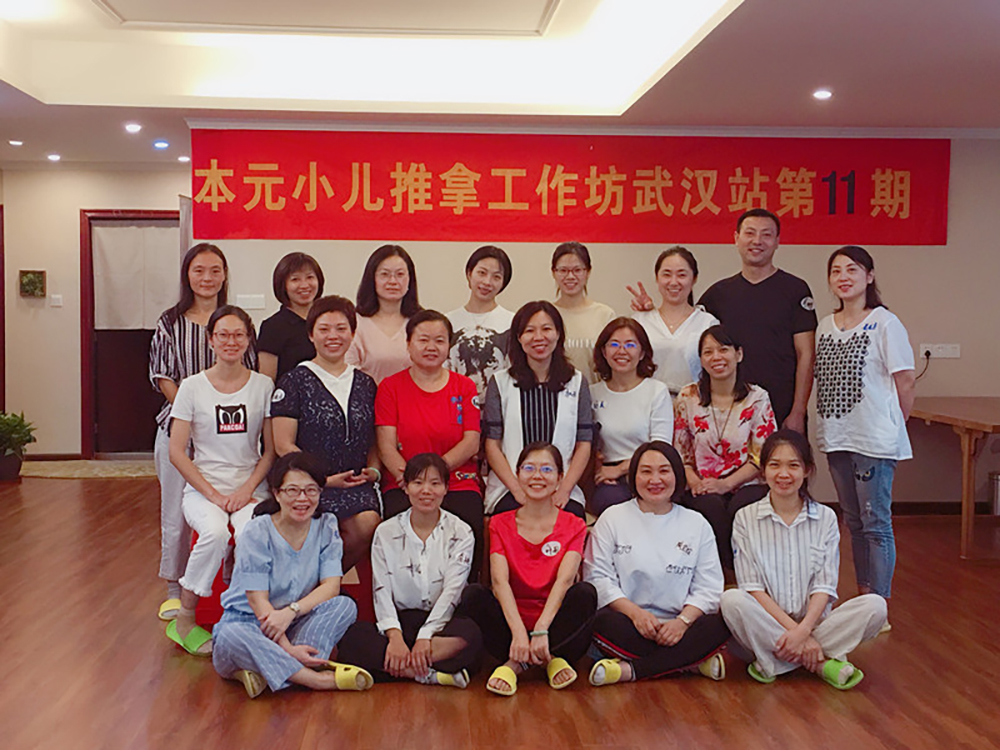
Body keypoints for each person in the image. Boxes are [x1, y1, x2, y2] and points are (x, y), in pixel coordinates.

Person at [721, 430, 887, 688]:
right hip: (767, 622)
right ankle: (819, 663)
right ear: (763, 471)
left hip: (816, 624)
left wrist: (804, 630)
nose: (783, 474)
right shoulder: (745, 518)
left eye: (793, 465)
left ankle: (775, 661)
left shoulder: (825, 518)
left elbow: (824, 585)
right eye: (774, 465)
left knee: (876, 606)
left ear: (807, 470)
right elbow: (752, 588)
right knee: (731, 600)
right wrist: (797, 634)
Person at [149, 243, 256, 622]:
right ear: (187, 276)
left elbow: (251, 373)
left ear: (225, 275)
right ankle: (174, 589)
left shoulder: (235, 322)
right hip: (179, 429)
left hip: (231, 433)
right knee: (177, 513)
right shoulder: (170, 322)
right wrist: (193, 415)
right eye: (199, 270)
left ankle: (229, 586)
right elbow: (163, 375)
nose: (207, 278)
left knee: (235, 515)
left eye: (215, 270)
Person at [212, 452, 371, 698]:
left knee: (344, 606)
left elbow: (331, 587)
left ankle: (271, 669)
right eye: (292, 491)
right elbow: (257, 601)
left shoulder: (326, 525)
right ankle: (314, 678)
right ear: (276, 493)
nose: (302, 498)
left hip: (295, 621)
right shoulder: (257, 531)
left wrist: (291, 612)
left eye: (311, 490)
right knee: (231, 636)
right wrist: (286, 647)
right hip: (250, 622)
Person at [166, 305, 275, 656]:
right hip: (203, 490)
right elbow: (177, 452)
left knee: (249, 535)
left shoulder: (263, 386)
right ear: (210, 340)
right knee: (214, 533)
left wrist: (246, 490)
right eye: (223, 335)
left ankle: (243, 617)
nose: (231, 341)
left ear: (248, 339)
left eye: (238, 335)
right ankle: (185, 617)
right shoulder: (191, 387)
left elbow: (270, 451)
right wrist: (213, 494)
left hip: (250, 488)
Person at [816, 246, 915, 606]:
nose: (843, 277)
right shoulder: (825, 325)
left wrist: (894, 424)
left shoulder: (885, 323)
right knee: (853, 521)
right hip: (837, 436)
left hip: (874, 440)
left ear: (869, 276)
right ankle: (863, 597)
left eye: (852, 269)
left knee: (876, 523)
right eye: (836, 271)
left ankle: (879, 604)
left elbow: (905, 381)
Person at [456, 443, 597, 696]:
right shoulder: (499, 522)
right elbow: (499, 583)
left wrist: (542, 629)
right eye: (529, 468)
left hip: (554, 623)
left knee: (585, 594)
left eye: (547, 469)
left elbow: (565, 581)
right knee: (473, 595)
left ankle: (517, 664)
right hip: (511, 626)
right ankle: (548, 660)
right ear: (518, 474)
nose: (537, 476)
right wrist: (519, 633)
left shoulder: (575, 524)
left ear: (560, 478)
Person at [584, 441, 728, 685]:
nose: (655, 480)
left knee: (720, 624)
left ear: (677, 476)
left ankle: (632, 670)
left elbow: (709, 588)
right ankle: (689, 662)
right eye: (646, 471)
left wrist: (681, 623)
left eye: (664, 471)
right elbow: (598, 578)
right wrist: (636, 614)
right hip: (629, 621)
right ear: (633, 477)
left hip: (681, 625)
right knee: (601, 623)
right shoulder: (612, 518)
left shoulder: (697, 523)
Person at [337, 453, 482, 688]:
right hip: (401, 623)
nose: (426, 491)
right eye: (418, 482)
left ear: (446, 488)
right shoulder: (386, 531)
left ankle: (399, 668)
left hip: (442, 624)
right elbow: (381, 589)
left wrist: (426, 637)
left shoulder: (461, 531)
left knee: (470, 636)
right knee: (353, 638)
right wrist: (394, 637)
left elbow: (453, 591)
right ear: (405, 487)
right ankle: (429, 674)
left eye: (435, 483)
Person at [270, 295, 381, 574]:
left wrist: (373, 470)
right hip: (309, 484)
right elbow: (283, 444)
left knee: (367, 523)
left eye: (341, 329)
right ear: (311, 334)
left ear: (352, 334)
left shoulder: (366, 383)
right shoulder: (293, 381)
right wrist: (322, 480)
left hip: (355, 485)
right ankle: (312, 587)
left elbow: (374, 438)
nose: (333, 336)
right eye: (324, 329)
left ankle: (321, 582)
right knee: (311, 527)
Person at [376, 310, 484, 578]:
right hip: (404, 483)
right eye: (423, 340)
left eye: (439, 340)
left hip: (456, 482)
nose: (431, 347)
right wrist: (415, 481)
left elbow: (471, 442)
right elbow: (386, 446)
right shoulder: (390, 387)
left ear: (449, 346)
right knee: (396, 525)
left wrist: (435, 478)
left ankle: (465, 596)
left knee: (470, 521)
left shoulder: (465, 386)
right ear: (408, 344)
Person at [698, 209, 816, 432]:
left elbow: (806, 354)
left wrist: (798, 411)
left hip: (782, 409)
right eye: (750, 233)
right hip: (730, 412)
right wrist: (650, 311)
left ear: (777, 241)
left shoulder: (795, 290)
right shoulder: (717, 295)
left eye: (766, 234)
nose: (757, 241)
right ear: (736, 238)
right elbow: (687, 329)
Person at [673, 325, 776, 568]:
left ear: (738, 354)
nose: (716, 357)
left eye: (723, 350)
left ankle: (746, 573)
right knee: (709, 506)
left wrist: (726, 484)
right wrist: (695, 482)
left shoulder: (757, 397)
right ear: (701, 360)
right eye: (708, 352)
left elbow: (762, 457)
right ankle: (718, 575)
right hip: (703, 484)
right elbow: (681, 454)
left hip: (747, 483)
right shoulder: (688, 397)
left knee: (743, 506)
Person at [483, 301, 593, 519]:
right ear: (518, 337)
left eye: (546, 329)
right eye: (529, 331)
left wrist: (564, 489)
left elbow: (584, 443)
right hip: (510, 486)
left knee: (570, 516)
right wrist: (517, 489)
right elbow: (492, 444)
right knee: (509, 516)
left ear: (558, 334)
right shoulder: (501, 382)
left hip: (560, 485)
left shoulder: (577, 381)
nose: (538, 337)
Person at [589, 318, 673, 516]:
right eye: (614, 344)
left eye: (630, 345)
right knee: (611, 502)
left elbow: (661, 446)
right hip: (607, 477)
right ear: (604, 351)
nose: (622, 351)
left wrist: (620, 470)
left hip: (649, 471)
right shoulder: (592, 393)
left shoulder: (656, 391)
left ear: (642, 353)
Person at [627, 246, 719, 395]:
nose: (674, 282)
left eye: (682, 275)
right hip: (646, 402)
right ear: (657, 278)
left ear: (694, 279)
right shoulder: (640, 321)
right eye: (667, 274)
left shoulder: (707, 323)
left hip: (695, 403)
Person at [446, 245, 515, 405]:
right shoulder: (448, 321)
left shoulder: (512, 322)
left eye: (496, 277)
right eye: (482, 273)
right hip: (455, 410)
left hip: (499, 411)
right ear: (469, 274)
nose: (487, 282)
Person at [347, 244, 421, 384]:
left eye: (400, 274)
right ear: (372, 278)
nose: (392, 281)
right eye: (385, 274)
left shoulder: (421, 323)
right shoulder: (355, 323)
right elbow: (348, 374)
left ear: (410, 279)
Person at [551, 242, 615, 383]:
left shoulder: (605, 314)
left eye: (577, 270)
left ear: (588, 272)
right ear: (553, 273)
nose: (570, 276)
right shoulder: (547, 314)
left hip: (595, 393)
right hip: (555, 393)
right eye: (563, 270)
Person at [258, 252, 324, 381]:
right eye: (295, 279)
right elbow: (267, 381)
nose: (304, 285)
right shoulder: (272, 327)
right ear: (283, 285)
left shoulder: (326, 320)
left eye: (310, 277)